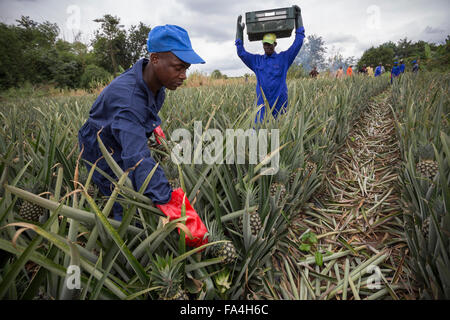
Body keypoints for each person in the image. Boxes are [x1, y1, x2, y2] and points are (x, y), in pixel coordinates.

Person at [77, 25, 208, 247]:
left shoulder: (156, 82)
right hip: (102, 152)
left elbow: (143, 113)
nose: (184, 76)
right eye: (178, 68)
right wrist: (171, 202)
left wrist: (151, 127)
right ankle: (117, 254)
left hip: (121, 134)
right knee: (120, 207)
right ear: (155, 59)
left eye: (186, 68)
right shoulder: (128, 100)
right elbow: (137, 159)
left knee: (137, 189)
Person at [235, 5, 305, 123]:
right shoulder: (256, 61)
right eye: (265, 44)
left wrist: (299, 18)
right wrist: (239, 33)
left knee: (280, 133)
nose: (267, 46)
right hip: (262, 106)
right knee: (259, 133)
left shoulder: (284, 58)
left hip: (280, 104)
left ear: (275, 44)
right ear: (262, 44)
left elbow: (298, 43)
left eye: (270, 44)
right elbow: (241, 52)